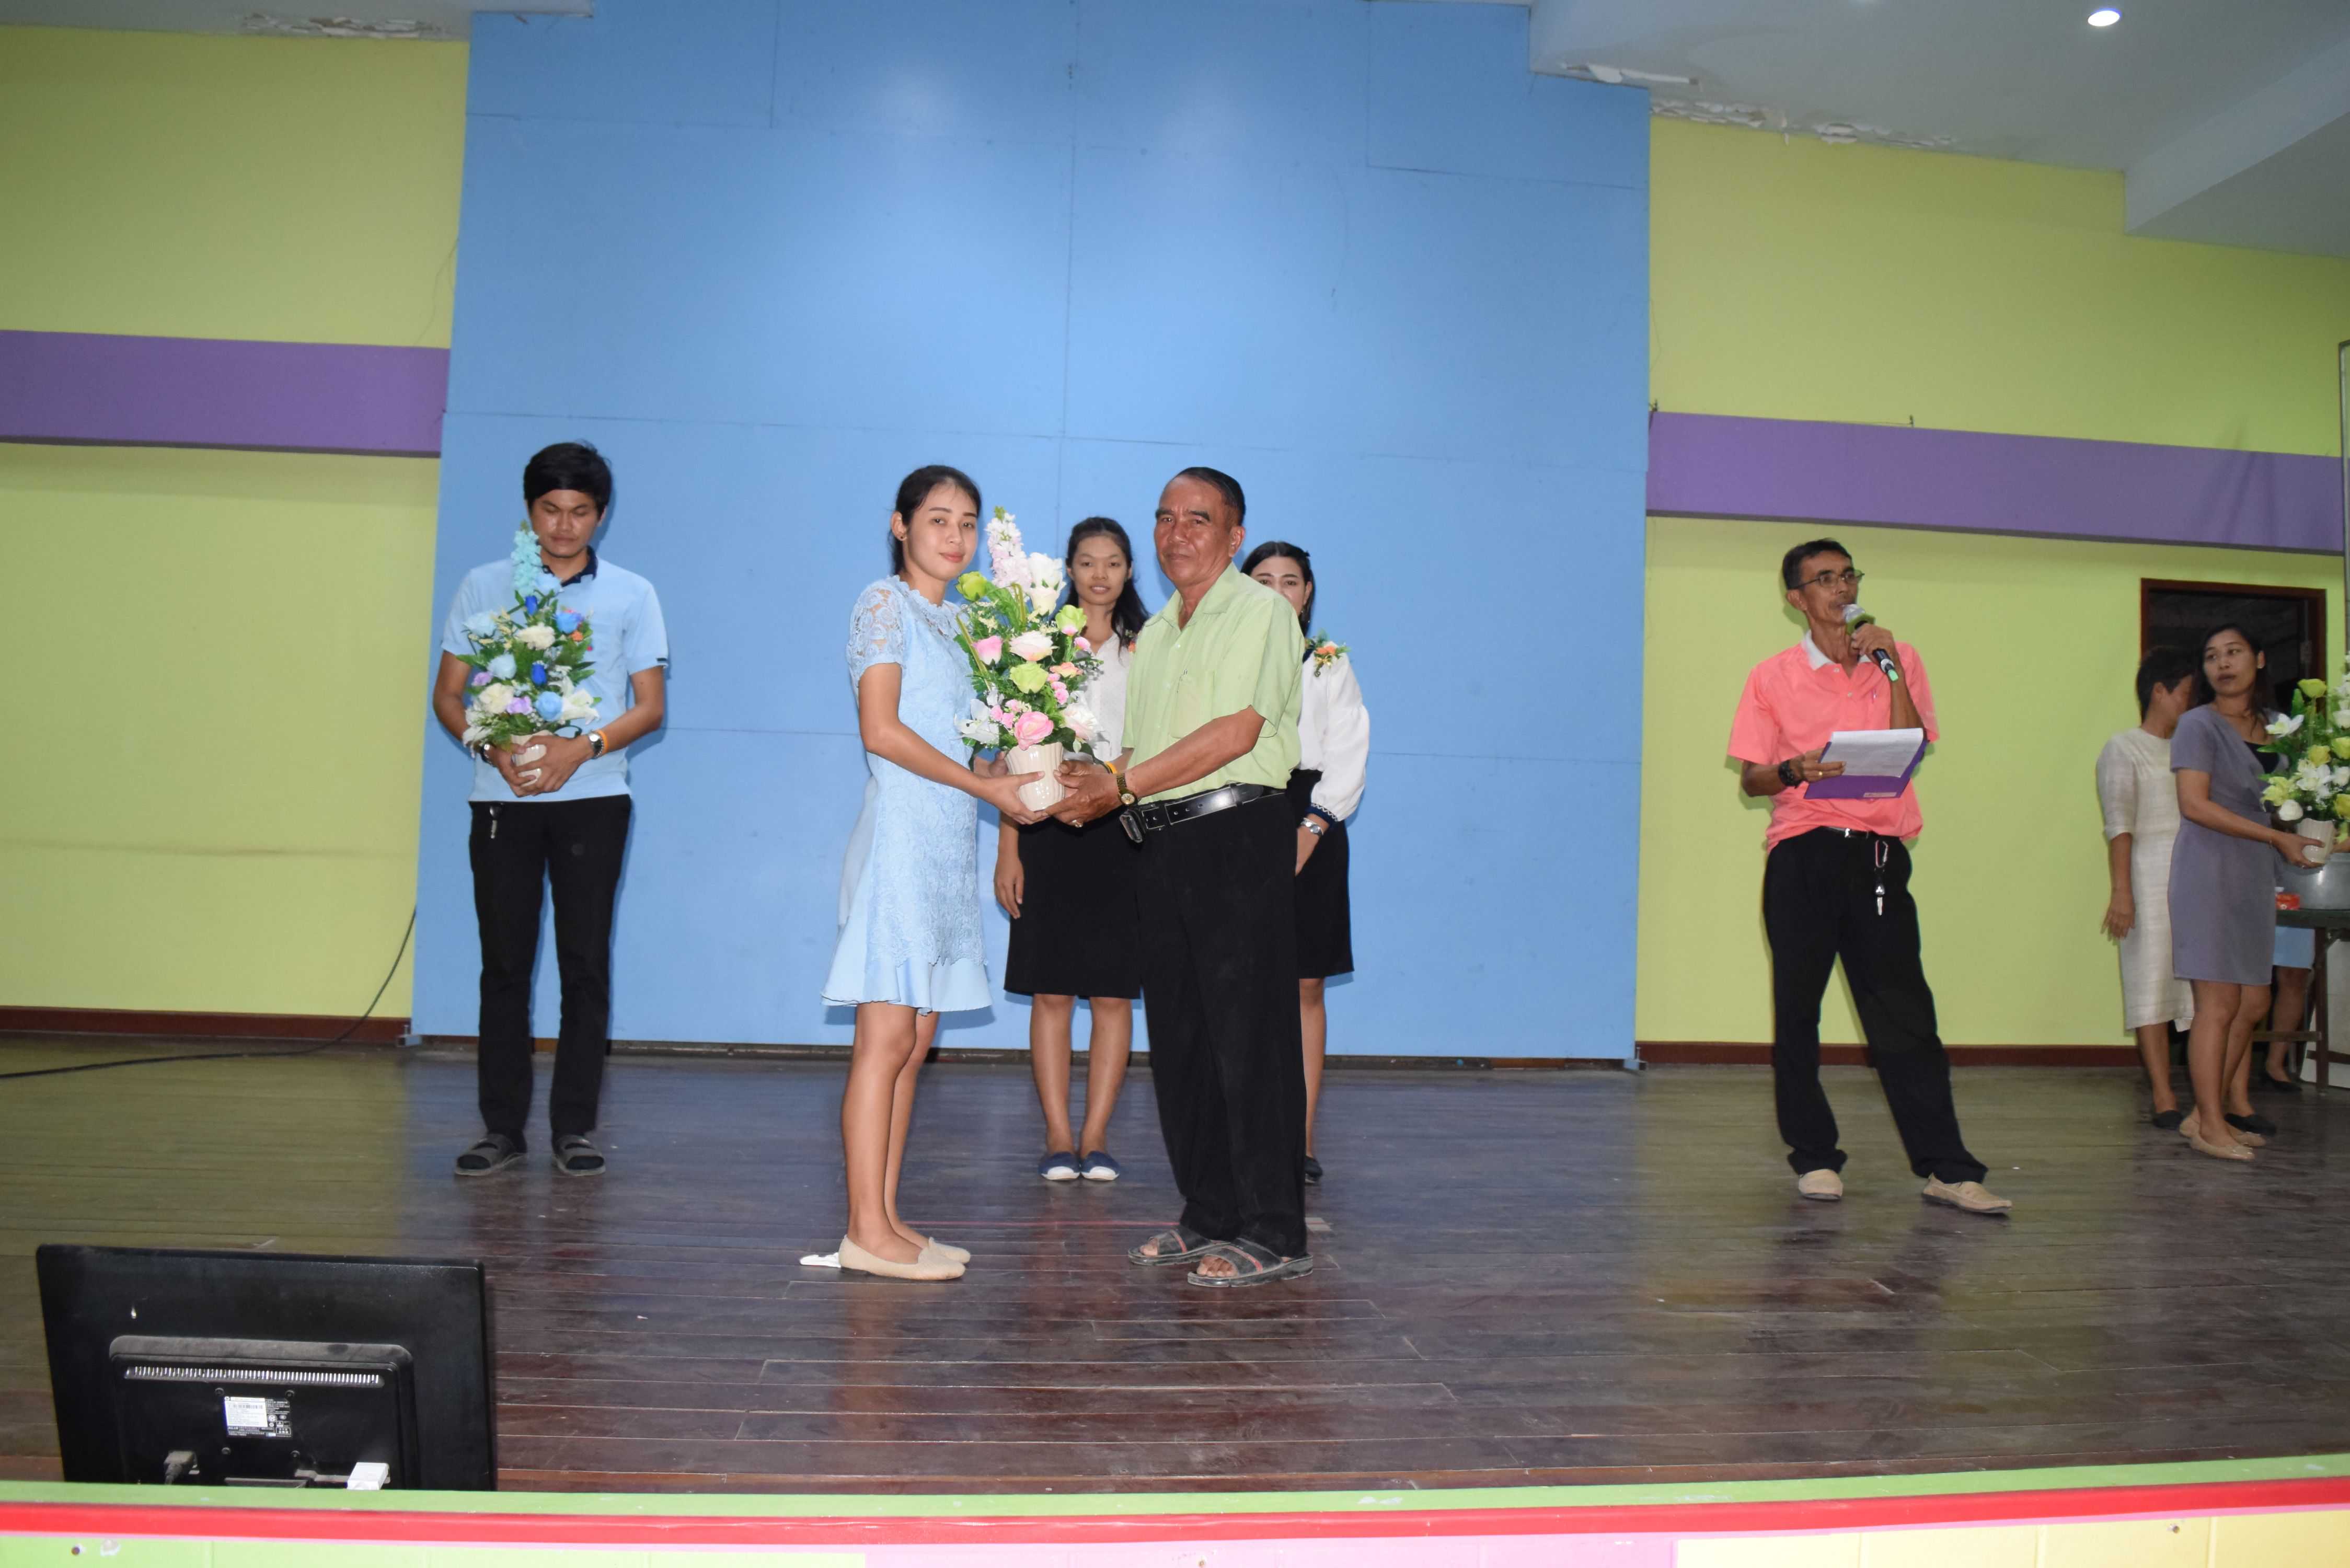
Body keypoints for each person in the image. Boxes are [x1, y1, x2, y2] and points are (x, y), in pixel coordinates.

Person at [1049, 467, 1312, 1287]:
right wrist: (1087, 784)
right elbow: (1144, 751)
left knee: (1250, 1038)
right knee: (1186, 1040)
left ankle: (1275, 1229)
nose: (1177, 533)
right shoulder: (1156, 634)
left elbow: (1237, 733)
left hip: (1236, 836)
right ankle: (1210, 1212)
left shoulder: (1262, 612)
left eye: (1199, 519)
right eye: (1164, 518)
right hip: (1161, 844)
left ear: (1235, 536)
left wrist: (1121, 785)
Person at [1725, 539, 2010, 1214]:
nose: (1842, 588)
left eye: (1848, 575)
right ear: (1796, 599)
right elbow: (1753, 779)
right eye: (1824, 579)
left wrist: (1893, 672)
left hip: (1878, 854)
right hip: (1802, 853)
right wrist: (1795, 769)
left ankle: (1947, 1169)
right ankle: (1815, 1157)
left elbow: (1910, 751)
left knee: (1904, 1014)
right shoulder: (1771, 677)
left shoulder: (1897, 658)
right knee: (1799, 1011)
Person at [824, 465, 1045, 1279]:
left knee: (915, 1041)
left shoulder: (961, 625)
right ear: (901, 525)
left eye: (967, 523)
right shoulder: (883, 605)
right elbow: (881, 731)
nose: (955, 537)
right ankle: (863, 1230)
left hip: (948, 845)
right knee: (884, 1038)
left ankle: (885, 1218)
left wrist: (1024, 763)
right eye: (938, 519)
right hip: (900, 840)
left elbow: (973, 745)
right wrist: (984, 787)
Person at [432, 442, 669, 1180]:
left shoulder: (632, 593)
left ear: (602, 515)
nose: (564, 527)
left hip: (594, 801)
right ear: (529, 509)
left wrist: (582, 749)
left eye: (580, 512)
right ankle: (501, 1129)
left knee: (583, 965)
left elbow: (650, 708)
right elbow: (448, 694)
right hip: (501, 802)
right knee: (504, 965)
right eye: (550, 510)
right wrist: (489, 746)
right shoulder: (484, 585)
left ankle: (575, 1128)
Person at [995, 517, 1148, 1183]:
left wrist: (1111, 781)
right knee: (1051, 992)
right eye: (1087, 562)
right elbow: (1012, 748)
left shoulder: (1149, 647)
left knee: (1112, 995)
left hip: (1121, 826)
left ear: (1129, 571)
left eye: (1112, 562)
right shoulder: (1038, 649)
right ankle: (1058, 1136)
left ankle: (1097, 1136)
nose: (1099, 574)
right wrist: (1009, 846)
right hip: (1045, 824)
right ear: (1068, 570)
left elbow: (1160, 740)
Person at [1242, 541, 1369, 1185]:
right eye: (1262, 580)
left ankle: (1300, 1137)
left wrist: (1313, 825)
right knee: (1239, 983)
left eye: (1289, 581)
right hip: (1239, 809)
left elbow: (1348, 749)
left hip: (1311, 812)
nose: (1276, 592)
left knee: (1304, 984)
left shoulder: (1327, 663)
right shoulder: (1224, 658)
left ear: (1307, 592)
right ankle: (1241, 1138)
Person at [2167, 624, 2316, 1161]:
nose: (2222, 664)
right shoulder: (2196, 724)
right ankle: (2212, 1124)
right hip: (2208, 869)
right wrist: (2275, 836)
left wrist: (2321, 831)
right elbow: (2194, 805)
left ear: (2259, 659)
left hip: (2256, 873)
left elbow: (2290, 805)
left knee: (2254, 1000)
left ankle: (2201, 1115)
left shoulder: (2280, 727)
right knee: (2219, 1002)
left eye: (2233, 653)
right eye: (2211, 657)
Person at [2095, 645, 2199, 1127]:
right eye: (2185, 693)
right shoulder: (2123, 748)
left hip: (2196, 878)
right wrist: (2123, 893)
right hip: (2147, 876)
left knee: (2202, 987)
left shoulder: (2190, 751)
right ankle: (2163, 1096)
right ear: (2159, 691)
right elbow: (2120, 825)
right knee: (2151, 981)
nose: (2190, 703)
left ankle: (2207, 1095)